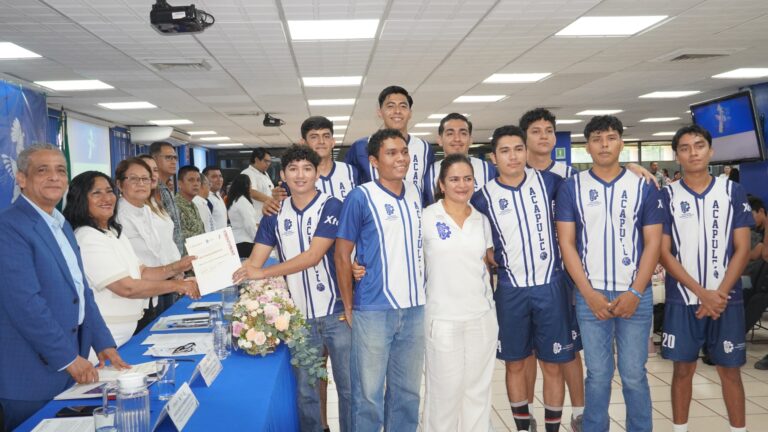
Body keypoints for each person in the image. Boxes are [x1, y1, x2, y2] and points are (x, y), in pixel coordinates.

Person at [0, 145, 128, 430]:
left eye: (60, 170)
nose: (54, 177)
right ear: (21, 178)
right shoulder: (9, 226)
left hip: (69, 364)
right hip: (31, 373)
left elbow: (80, 292)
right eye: (42, 170)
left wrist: (103, 342)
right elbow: (25, 304)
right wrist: (68, 358)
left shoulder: (61, 225)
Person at [556, 115, 664, 432]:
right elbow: (567, 243)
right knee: (598, 375)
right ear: (587, 146)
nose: (604, 144)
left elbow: (653, 243)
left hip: (636, 295)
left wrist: (635, 292)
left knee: (634, 374)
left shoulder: (643, 186)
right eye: (597, 139)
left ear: (621, 143)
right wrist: (587, 293)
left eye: (611, 137)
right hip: (591, 297)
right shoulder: (572, 187)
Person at [233, 145, 351, 432]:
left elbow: (313, 256)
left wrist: (263, 272)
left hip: (336, 312)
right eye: (293, 169)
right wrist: (222, 272)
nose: (300, 175)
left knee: (350, 388)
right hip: (298, 318)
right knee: (307, 391)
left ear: (317, 173)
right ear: (283, 175)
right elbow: (254, 262)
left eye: (307, 169)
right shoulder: (274, 213)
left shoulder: (332, 206)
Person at [471, 126, 573, 432]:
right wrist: (489, 255)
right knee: (515, 363)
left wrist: (633, 167)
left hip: (550, 286)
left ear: (526, 152)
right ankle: (522, 427)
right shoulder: (482, 198)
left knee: (553, 364)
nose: (513, 156)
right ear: (493, 158)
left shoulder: (551, 182)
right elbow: (476, 242)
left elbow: (591, 182)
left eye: (518, 149)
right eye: (505, 151)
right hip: (510, 290)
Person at [659, 125, 753, 432]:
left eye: (699, 146)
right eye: (685, 148)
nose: (693, 153)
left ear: (710, 151)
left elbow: (743, 248)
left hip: (727, 300)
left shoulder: (731, 191)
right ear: (677, 155)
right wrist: (702, 293)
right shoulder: (666, 195)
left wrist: (718, 294)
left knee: (730, 371)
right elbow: (663, 252)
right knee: (682, 370)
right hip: (683, 298)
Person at [335, 128, 425, 431]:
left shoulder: (415, 192)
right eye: (391, 153)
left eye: (404, 152)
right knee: (368, 396)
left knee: (408, 394)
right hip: (373, 309)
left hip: (414, 309)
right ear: (374, 161)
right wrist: (349, 305)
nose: (401, 158)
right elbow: (341, 254)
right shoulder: (361, 197)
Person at [64, 171, 199, 346]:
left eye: (109, 191)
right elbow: (126, 287)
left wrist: (179, 266)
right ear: (81, 199)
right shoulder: (87, 237)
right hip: (105, 335)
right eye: (96, 193)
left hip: (124, 333)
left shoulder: (113, 233)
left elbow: (142, 272)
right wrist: (178, 285)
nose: (106, 198)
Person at [518, 107, 584, 430]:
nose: (543, 136)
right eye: (535, 131)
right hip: (524, 280)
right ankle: (527, 413)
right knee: (528, 350)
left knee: (568, 350)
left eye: (548, 131)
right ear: (524, 138)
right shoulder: (512, 174)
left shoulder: (571, 176)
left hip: (565, 277)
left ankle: (580, 412)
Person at [422, 154, 497, 432]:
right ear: (442, 184)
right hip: (442, 319)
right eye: (454, 179)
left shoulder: (481, 220)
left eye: (467, 179)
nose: (462, 185)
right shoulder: (426, 218)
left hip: (481, 317)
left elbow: (486, 264)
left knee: (477, 391)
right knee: (444, 394)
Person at [115, 157, 187, 330]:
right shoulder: (118, 215)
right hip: (132, 296)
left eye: (145, 179)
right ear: (119, 184)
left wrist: (177, 268)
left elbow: (158, 249)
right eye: (134, 179)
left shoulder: (147, 209)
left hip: (155, 289)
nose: (141, 184)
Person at [345, 86, 434, 193]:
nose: (397, 111)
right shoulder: (361, 147)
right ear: (380, 112)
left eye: (403, 106)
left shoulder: (424, 148)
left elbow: (429, 191)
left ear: (410, 113)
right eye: (390, 106)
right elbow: (349, 185)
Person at [422, 113, 497, 204]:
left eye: (463, 133)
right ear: (440, 140)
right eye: (450, 134)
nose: (457, 139)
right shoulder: (428, 174)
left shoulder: (488, 170)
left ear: (470, 139)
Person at [150, 141, 183, 255]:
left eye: (175, 158)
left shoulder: (166, 188)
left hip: (175, 256)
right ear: (154, 159)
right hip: (163, 258)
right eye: (168, 157)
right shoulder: (152, 189)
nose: (173, 161)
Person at [174, 165, 206, 254]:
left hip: (199, 256)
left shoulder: (193, 205)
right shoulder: (175, 206)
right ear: (180, 184)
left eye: (198, 180)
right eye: (191, 180)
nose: (196, 184)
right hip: (184, 259)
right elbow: (178, 238)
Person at [227, 174, 259, 258]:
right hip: (245, 242)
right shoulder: (242, 201)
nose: (251, 188)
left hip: (238, 241)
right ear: (246, 186)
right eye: (250, 185)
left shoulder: (234, 200)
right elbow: (249, 224)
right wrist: (258, 240)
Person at [241, 148, 276, 222]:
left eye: (269, 161)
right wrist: (272, 201)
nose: (268, 164)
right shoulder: (247, 173)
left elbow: (270, 191)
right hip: (255, 218)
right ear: (256, 160)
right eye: (266, 161)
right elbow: (251, 192)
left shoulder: (265, 174)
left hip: (267, 215)